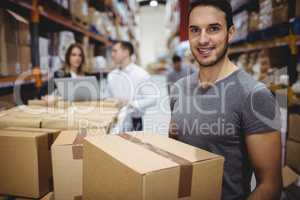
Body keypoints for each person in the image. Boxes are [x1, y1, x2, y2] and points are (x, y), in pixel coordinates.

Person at [169, 1, 282, 200]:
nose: (203, 39)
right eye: (195, 30)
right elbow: (175, 154)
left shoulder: (255, 95)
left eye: (213, 29)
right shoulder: (178, 88)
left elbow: (270, 185)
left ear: (230, 33)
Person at [106, 41, 156, 131]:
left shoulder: (141, 74)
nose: (112, 54)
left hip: (134, 122)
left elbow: (152, 99)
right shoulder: (111, 75)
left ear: (126, 53)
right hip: (114, 120)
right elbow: (107, 97)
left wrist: (131, 104)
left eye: (115, 51)